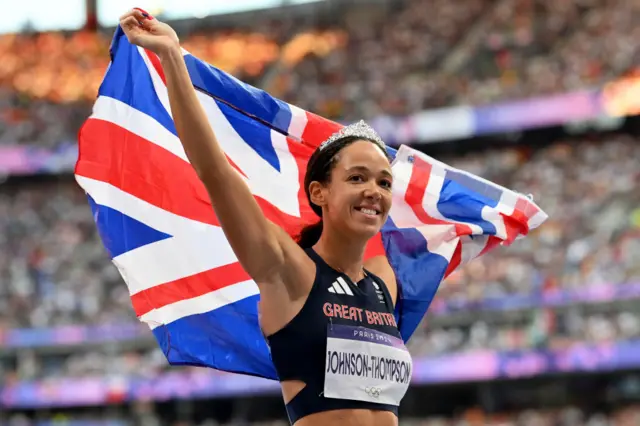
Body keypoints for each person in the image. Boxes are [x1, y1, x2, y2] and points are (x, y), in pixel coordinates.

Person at [119, 9, 412, 426]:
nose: (374, 192)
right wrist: (172, 58)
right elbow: (216, 174)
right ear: (319, 192)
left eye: (385, 183)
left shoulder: (384, 283)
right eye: (358, 177)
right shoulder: (287, 270)